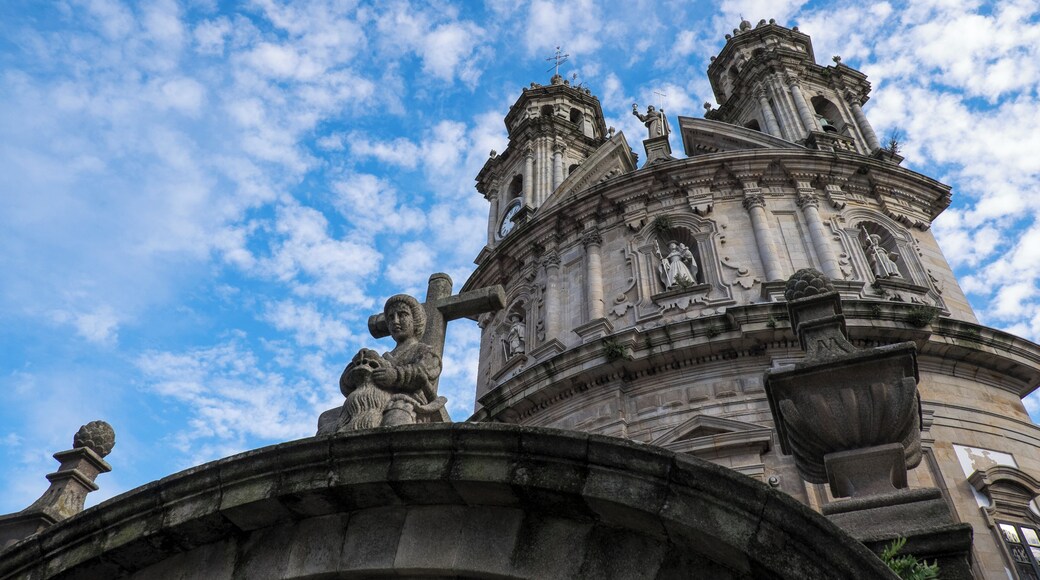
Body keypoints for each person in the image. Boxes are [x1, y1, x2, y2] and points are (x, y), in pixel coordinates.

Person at [336, 294, 444, 431]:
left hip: (408, 404)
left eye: (402, 315)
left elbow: (422, 372)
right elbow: (347, 387)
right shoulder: (383, 358)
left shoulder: (426, 352)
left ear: (415, 320)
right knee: (328, 418)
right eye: (391, 317)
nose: (396, 321)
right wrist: (357, 365)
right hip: (375, 403)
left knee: (396, 418)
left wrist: (395, 376)